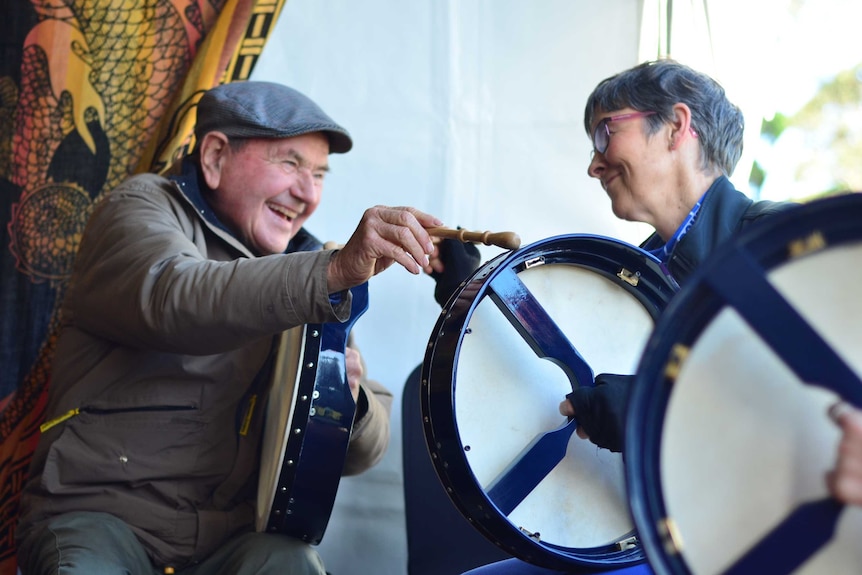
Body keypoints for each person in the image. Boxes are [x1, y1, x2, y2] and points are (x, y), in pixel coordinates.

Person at [15, 80, 447, 575]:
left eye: (319, 174)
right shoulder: (141, 207)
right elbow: (174, 297)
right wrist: (331, 271)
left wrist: (349, 403)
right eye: (290, 164)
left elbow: (366, 450)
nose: (307, 193)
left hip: (228, 543)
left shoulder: (306, 264)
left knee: (293, 562)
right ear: (215, 156)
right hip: (101, 520)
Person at [462, 58, 798, 575]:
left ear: (676, 127)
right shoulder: (638, 273)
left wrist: (655, 410)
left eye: (604, 133)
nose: (593, 165)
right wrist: (466, 293)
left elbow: (816, 407)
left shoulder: (781, 243)